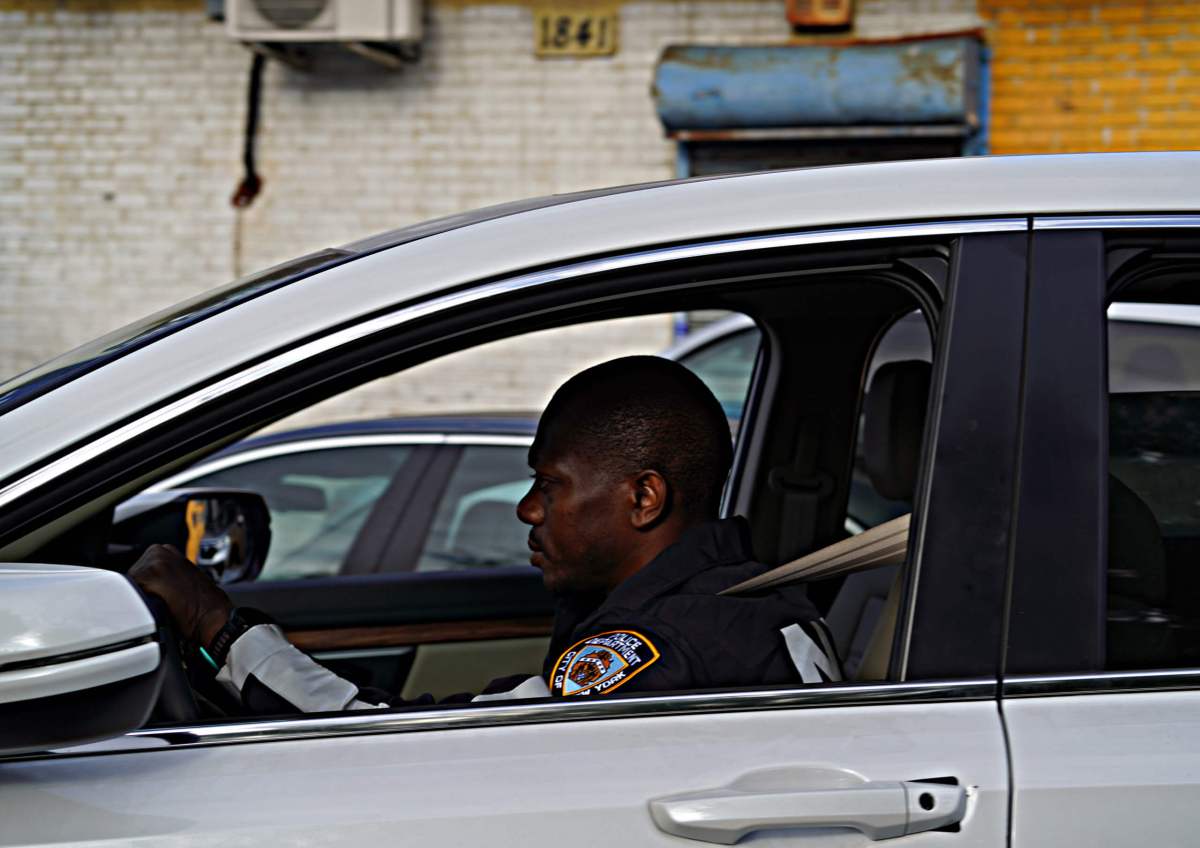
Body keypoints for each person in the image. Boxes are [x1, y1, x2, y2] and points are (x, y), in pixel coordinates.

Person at [131, 356, 841, 714]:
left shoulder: (658, 652)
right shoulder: (728, 610)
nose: (527, 511)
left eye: (551, 485)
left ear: (643, 497)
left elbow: (397, 754)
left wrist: (219, 627)